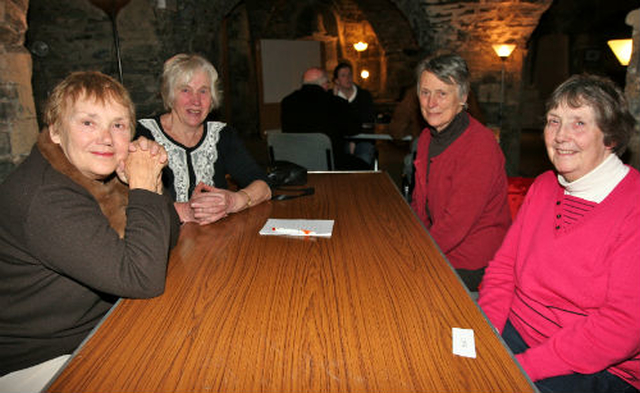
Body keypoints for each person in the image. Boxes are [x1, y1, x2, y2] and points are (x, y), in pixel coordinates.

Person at [0, 71, 180, 393]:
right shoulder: (46, 197)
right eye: (88, 123)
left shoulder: (99, 175)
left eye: (118, 125)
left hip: (97, 328)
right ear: (55, 130)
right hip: (35, 360)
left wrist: (144, 180)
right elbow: (142, 278)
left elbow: (169, 237)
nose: (107, 138)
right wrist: (142, 186)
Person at [479, 74, 640, 393]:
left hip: (596, 365)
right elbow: (502, 270)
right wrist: (487, 333)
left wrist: (522, 366)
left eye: (579, 123)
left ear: (610, 136)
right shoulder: (543, 185)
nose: (560, 136)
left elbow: (622, 328)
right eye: (554, 121)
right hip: (517, 331)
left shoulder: (634, 207)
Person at [410, 53, 511, 291]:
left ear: (463, 98)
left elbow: (456, 225)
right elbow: (419, 205)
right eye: (425, 92)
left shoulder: (479, 145)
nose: (431, 103)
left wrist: (415, 255)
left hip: (473, 261)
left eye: (442, 93)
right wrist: (408, 241)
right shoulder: (426, 138)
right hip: (440, 247)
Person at [137, 53, 271, 225]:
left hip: (215, 240)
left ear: (213, 98)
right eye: (185, 90)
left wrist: (235, 201)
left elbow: (264, 186)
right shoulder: (142, 135)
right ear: (170, 95)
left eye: (203, 91)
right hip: (161, 243)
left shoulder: (222, 135)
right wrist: (183, 211)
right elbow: (127, 201)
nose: (196, 101)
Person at [280, 67, 367, 170]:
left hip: (296, 162)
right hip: (331, 163)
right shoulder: (336, 103)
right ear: (325, 85)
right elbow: (354, 129)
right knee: (364, 164)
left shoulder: (287, 102)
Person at [332, 62, 377, 167]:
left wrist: (354, 141)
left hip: (363, 139)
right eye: (343, 75)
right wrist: (334, 98)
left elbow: (367, 121)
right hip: (340, 141)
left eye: (350, 75)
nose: (348, 78)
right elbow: (333, 123)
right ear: (336, 80)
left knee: (363, 157)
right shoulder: (331, 97)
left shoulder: (364, 96)